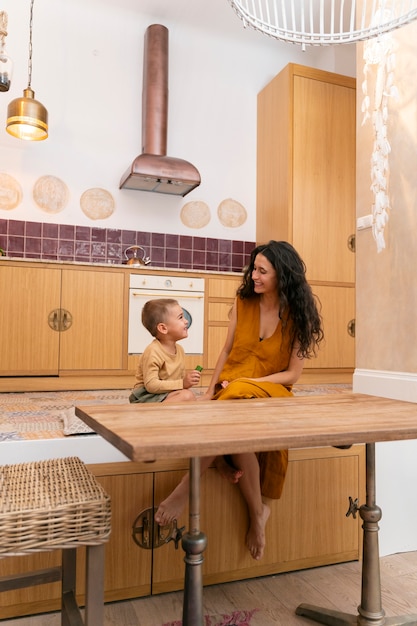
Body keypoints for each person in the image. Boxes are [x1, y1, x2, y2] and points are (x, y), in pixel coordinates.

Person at [154, 241, 324, 560]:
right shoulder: (243, 302)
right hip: (232, 387)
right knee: (235, 415)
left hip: (271, 389)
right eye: (253, 269)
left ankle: (183, 493)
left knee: (235, 398)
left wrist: (250, 382)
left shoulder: (298, 316)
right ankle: (257, 515)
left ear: (282, 276)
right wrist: (208, 392)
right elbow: (227, 349)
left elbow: (292, 376)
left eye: (262, 271)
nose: (254, 276)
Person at [129, 298, 201, 404]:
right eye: (180, 317)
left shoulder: (180, 350)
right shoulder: (153, 351)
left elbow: (177, 384)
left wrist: (185, 383)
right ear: (163, 328)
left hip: (163, 394)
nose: (186, 321)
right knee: (186, 396)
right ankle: (147, 413)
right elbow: (151, 386)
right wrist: (182, 383)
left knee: (188, 395)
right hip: (146, 397)